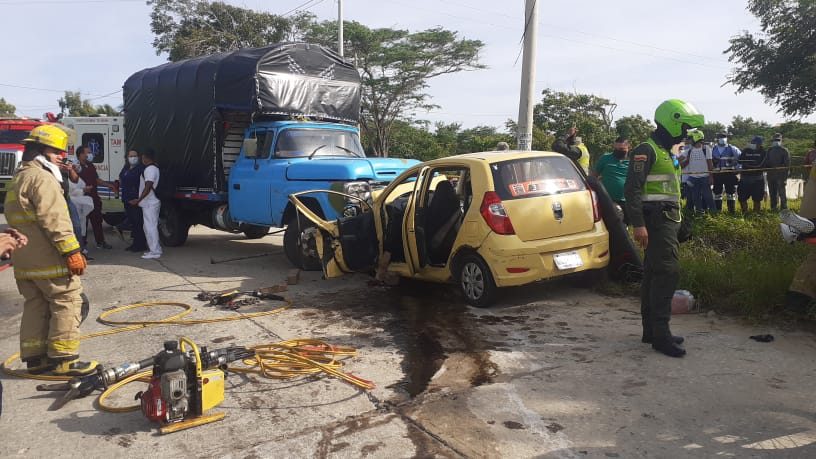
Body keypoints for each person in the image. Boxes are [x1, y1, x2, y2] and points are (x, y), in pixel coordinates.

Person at [2, 125, 98, 376]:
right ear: (40, 151)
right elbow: (55, 219)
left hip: (25, 263)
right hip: (48, 259)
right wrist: (71, 251)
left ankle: (36, 358)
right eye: (55, 152)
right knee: (67, 300)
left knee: (36, 305)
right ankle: (65, 360)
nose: (60, 157)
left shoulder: (19, 178)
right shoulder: (42, 178)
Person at [624, 99, 704, 358]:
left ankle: (651, 332)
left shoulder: (665, 151)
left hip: (668, 219)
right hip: (656, 221)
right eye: (682, 129)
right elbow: (632, 189)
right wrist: (638, 224)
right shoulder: (646, 150)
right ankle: (661, 335)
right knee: (667, 272)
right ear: (671, 122)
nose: (684, 135)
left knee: (653, 273)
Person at [76, 145, 115, 249]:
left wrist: (109, 185)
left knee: (97, 221)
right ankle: (82, 244)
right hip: (82, 200)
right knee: (82, 223)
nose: (90, 155)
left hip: (94, 199)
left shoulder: (91, 166)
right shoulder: (76, 168)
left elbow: (96, 180)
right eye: (87, 153)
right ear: (81, 155)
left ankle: (100, 242)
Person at [130, 148, 162, 259]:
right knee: (148, 226)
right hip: (150, 202)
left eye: (142, 157)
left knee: (150, 227)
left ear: (145, 157)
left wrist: (139, 199)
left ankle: (155, 251)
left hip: (150, 202)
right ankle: (155, 249)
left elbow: (148, 186)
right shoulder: (154, 168)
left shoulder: (150, 169)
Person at [591, 136, 630, 223]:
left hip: (627, 200)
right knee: (614, 225)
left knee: (626, 226)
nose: (618, 151)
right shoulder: (605, 158)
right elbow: (594, 176)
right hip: (609, 200)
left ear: (628, 148)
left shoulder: (632, 161)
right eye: (615, 148)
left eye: (621, 148)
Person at [678, 130, 715, 214]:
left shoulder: (706, 149)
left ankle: (714, 213)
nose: (689, 141)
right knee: (695, 197)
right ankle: (699, 213)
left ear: (696, 138)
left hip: (705, 177)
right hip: (693, 178)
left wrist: (711, 176)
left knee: (708, 196)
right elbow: (679, 159)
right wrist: (673, 162)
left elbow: (710, 163)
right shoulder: (689, 150)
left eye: (690, 138)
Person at [119, 150, 148, 252]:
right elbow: (122, 178)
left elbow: (145, 185)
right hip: (127, 199)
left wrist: (138, 198)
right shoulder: (126, 168)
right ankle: (135, 243)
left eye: (135, 156)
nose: (133, 158)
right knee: (133, 223)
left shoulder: (141, 169)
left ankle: (141, 244)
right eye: (131, 156)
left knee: (138, 222)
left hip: (136, 199)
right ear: (127, 157)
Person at [711, 132, 741, 214]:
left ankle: (732, 212)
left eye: (724, 137)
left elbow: (740, 158)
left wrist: (738, 169)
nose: (722, 139)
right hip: (717, 174)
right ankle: (718, 212)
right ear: (717, 139)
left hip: (729, 174)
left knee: (731, 193)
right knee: (717, 194)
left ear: (727, 138)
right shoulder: (713, 149)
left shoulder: (732, 148)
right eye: (720, 137)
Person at [737, 136, 767, 213]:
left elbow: (759, 165)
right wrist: (750, 164)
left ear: (759, 144)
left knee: (757, 199)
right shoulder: (746, 150)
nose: (752, 144)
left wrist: (747, 164)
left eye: (754, 143)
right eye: (752, 143)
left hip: (757, 179)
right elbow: (740, 161)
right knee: (742, 198)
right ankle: (745, 213)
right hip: (744, 179)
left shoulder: (763, 153)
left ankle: (755, 214)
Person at [765, 133, 791, 210]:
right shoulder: (769, 150)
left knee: (782, 194)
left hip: (781, 176)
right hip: (770, 176)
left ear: (781, 140)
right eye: (775, 140)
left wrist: (785, 178)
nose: (776, 141)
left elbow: (787, 166)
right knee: (772, 194)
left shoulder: (784, 150)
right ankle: (773, 209)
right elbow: (766, 162)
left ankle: (784, 210)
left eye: (778, 140)